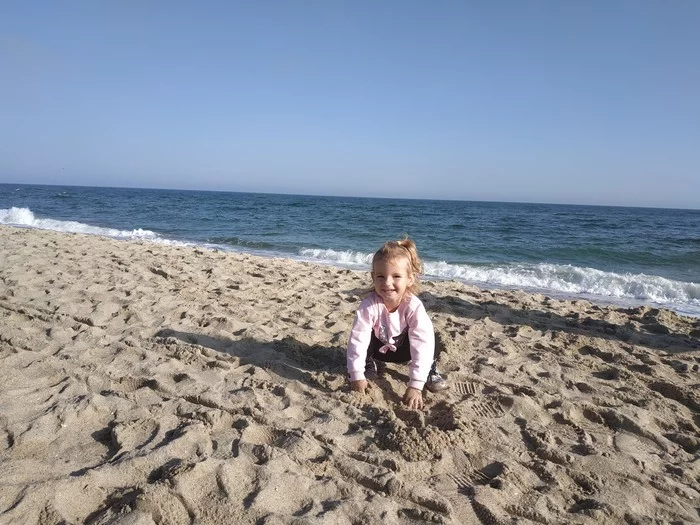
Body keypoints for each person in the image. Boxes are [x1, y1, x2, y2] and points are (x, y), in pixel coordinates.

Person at [346, 238, 448, 409]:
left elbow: (422, 344)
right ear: (373, 277)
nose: (387, 283)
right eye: (380, 276)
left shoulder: (413, 306)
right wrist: (356, 374)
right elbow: (358, 339)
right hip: (380, 350)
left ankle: (429, 369)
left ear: (409, 279)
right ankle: (368, 364)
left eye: (396, 276)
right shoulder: (369, 305)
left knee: (429, 337)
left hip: (405, 350)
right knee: (362, 334)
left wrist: (415, 385)